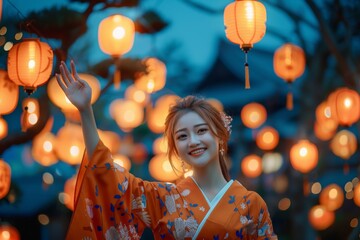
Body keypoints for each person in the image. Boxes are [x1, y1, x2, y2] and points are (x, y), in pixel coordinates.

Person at [56, 60, 278, 240]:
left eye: (201, 131)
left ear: (219, 137)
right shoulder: (162, 198)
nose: (192, 141)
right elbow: (106, 174)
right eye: (182, 136)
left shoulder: (251, 204)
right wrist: (86, 111)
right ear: (175, 148)